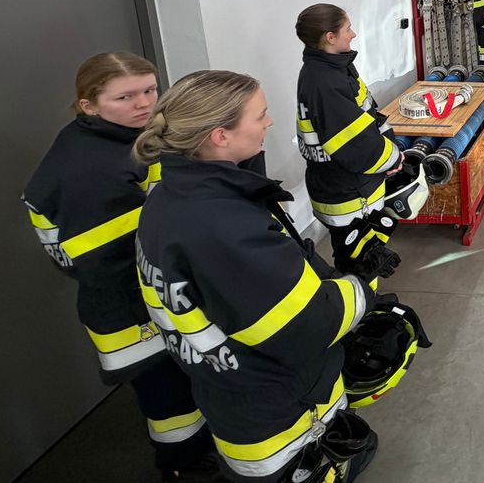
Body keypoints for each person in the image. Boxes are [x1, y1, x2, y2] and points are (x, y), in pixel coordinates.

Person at [135, 71, 377, 482]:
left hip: (228, 390)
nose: (269, 123)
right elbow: (307, 325)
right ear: (219, 136)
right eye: (260, 116)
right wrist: (362, 290)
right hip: (276, 412)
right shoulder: (223, 227)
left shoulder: (170, 196)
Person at [23, 53, 220, 482]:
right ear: (87, 105)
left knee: (177, 385)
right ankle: (183, 466)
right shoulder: (94, 171)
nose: (144, 103)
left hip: (140, 294)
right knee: (169, 399)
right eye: (125, 96)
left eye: (150, 90)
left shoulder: (114, 138)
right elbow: (111, 261)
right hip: (131, 309)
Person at [296, 5, 403, 280]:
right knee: (361, 260)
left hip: (351, 185)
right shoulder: (325, 81)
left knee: (369, 254)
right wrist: (395, 159)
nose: (353, 34)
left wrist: (391, 146)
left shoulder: (334, 68)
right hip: (349, 193)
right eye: (347, 29)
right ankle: (365, 313)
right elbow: (357, 147)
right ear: (330, 37)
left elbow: (366, 115)